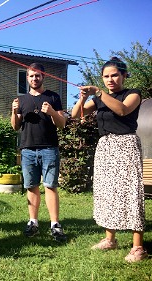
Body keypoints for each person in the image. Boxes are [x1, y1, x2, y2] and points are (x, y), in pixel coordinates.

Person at [71, 57, 147, 262]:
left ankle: (138, 247)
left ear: (124, 75)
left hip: (126, 145)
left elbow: (122, 110)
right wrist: (82, 98)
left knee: (130, 193)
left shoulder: (133, 94)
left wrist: (98, 93)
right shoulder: (99, 99)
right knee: (106, 192)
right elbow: (76, 115)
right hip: (105, 147)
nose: (110, 79)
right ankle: (110, 239)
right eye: (106, 76)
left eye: (114, 75)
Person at [11, 63, 67, 242]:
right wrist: (13, 111)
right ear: (27, 78)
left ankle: (55, 225)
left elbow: (61, 124)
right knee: (31, 186)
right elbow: (15, 126)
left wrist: (51, 111)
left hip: (49, 147)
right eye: (31, 76)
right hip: (27, 149)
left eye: (37, 76)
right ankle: (33, 222)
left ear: (43, 76)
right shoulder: (22, 100)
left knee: (50, 186)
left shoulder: (53, 97)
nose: (34, 79)